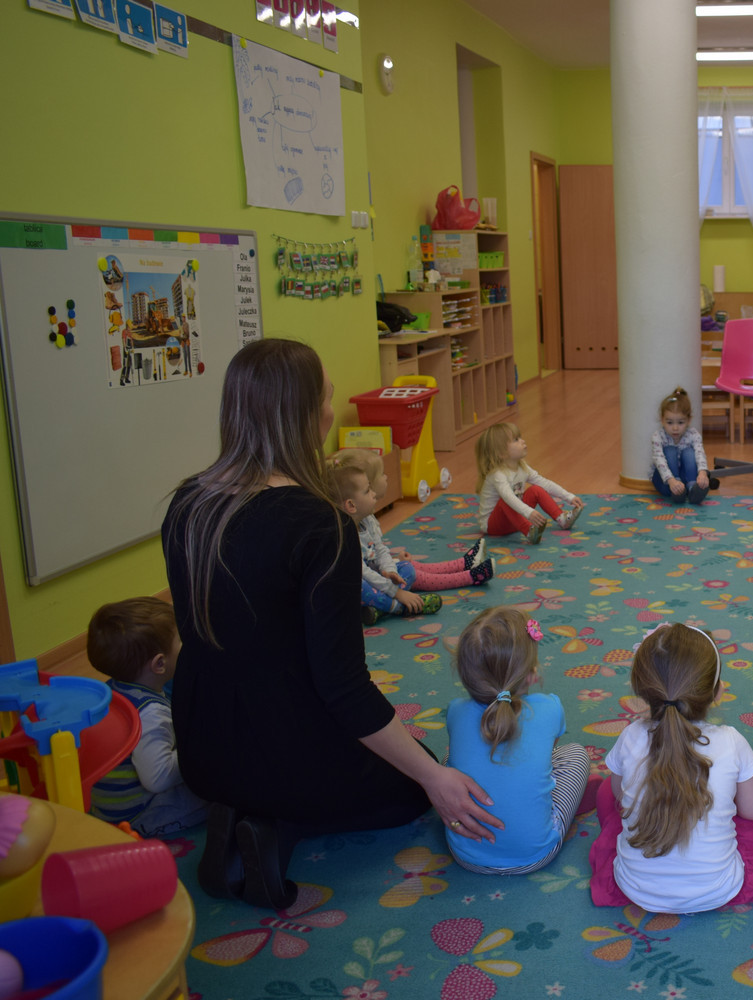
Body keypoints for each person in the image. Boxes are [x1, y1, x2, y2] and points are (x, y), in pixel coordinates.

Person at [162, 338, 502, 910]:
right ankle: (273, 828)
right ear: (301, 415)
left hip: (201, 751)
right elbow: (343, 688)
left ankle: (244, 810)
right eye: (325, 398)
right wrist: (431, 777)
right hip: (286, 755)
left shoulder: (188, 503)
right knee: (411, 784)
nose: (330, 409)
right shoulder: (319, 525)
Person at [588, 622, 753, 913]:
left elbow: (618, 794)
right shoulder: (731, 741)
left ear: (643, 690)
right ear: (717, 692)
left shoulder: (630, 736)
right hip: (717, 887)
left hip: (635, 886)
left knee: (606, 791)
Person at [444, 606, 595, 874]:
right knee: (576, 753)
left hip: (466, 854)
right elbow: (549, 755)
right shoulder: (549, 707)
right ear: (531, 673)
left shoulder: (455, 710)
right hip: (535, 855)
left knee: (448, 760)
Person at [86, 597, 208, 837]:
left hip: (108, 806)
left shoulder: (112, 691)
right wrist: (198, 751)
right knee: (218, 789)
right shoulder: (149, 713)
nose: (183, 645)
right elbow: (158, 778)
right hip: (138, 815)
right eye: (179, 641)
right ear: (159, 663)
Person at [326, 450, 494, 625]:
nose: (385, 478)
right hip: (363, 586)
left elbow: (380, 550)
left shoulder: (367, 520)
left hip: (378, 579)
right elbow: (364, 574)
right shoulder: (345, 536)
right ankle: (400, 607)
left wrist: (390, 571)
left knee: (407, 569)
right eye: (368, 490)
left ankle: (380, 609)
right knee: (363, 585)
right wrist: (397, 592)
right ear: (351, 504)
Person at [475, 421, 584, 545]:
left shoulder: (522, 467)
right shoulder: (498, 474)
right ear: (501, 453)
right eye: (516, 440)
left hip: (515, 520)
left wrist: (569, 497)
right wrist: (529, 513)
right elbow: (508, 498)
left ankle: (562, 519)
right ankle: (528, 531)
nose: (523, 441)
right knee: (506, 500)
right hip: (494, 527)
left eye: (520, 437)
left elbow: (545, 483)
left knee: (536, 489)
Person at [650, 386, 710, 504]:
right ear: (662, 420)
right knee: (669, 450)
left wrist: (703, 473)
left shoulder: (693, 434)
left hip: (685, 480)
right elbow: (659, 461)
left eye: (681, 422)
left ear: (689, 420)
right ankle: (677, 491)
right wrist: (672, 481)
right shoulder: (658, 437)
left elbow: (700, 454)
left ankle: (692, 489)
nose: (675, 428)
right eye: (670, 422)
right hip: (665, 481)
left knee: (689, 452)